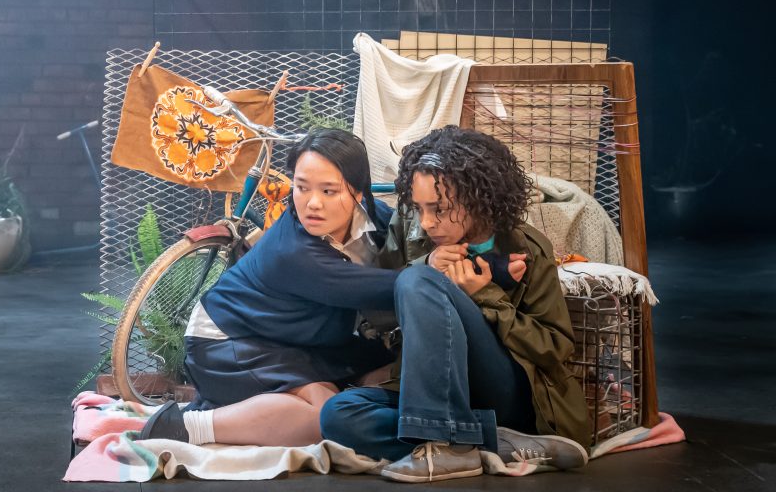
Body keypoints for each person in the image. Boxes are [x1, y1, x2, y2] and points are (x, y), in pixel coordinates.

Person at [320, 126, 591, 482]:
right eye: (418, 208)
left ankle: (445, 447)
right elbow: (378, 316)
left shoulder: (527, 247)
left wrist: (485, 296)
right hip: (432, 391)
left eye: (440, 209)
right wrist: (425, 266)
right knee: (338, 415)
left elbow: (554, 349)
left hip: (506, 391)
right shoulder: (410, 227)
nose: (427, 222)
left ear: (480, 199)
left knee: (417, 279)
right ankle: (487, 442)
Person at [138, 128, 400, 447]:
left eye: (329, 191)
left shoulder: (373, 216)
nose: (312, 204)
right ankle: (185, 426)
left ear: (358, 193)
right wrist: (442, 274)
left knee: (370, 372)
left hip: (290, 338)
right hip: (226, 339)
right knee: (324, 416)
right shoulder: (295, 253)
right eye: (302, 188)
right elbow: (392, 288)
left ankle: (247, 408)